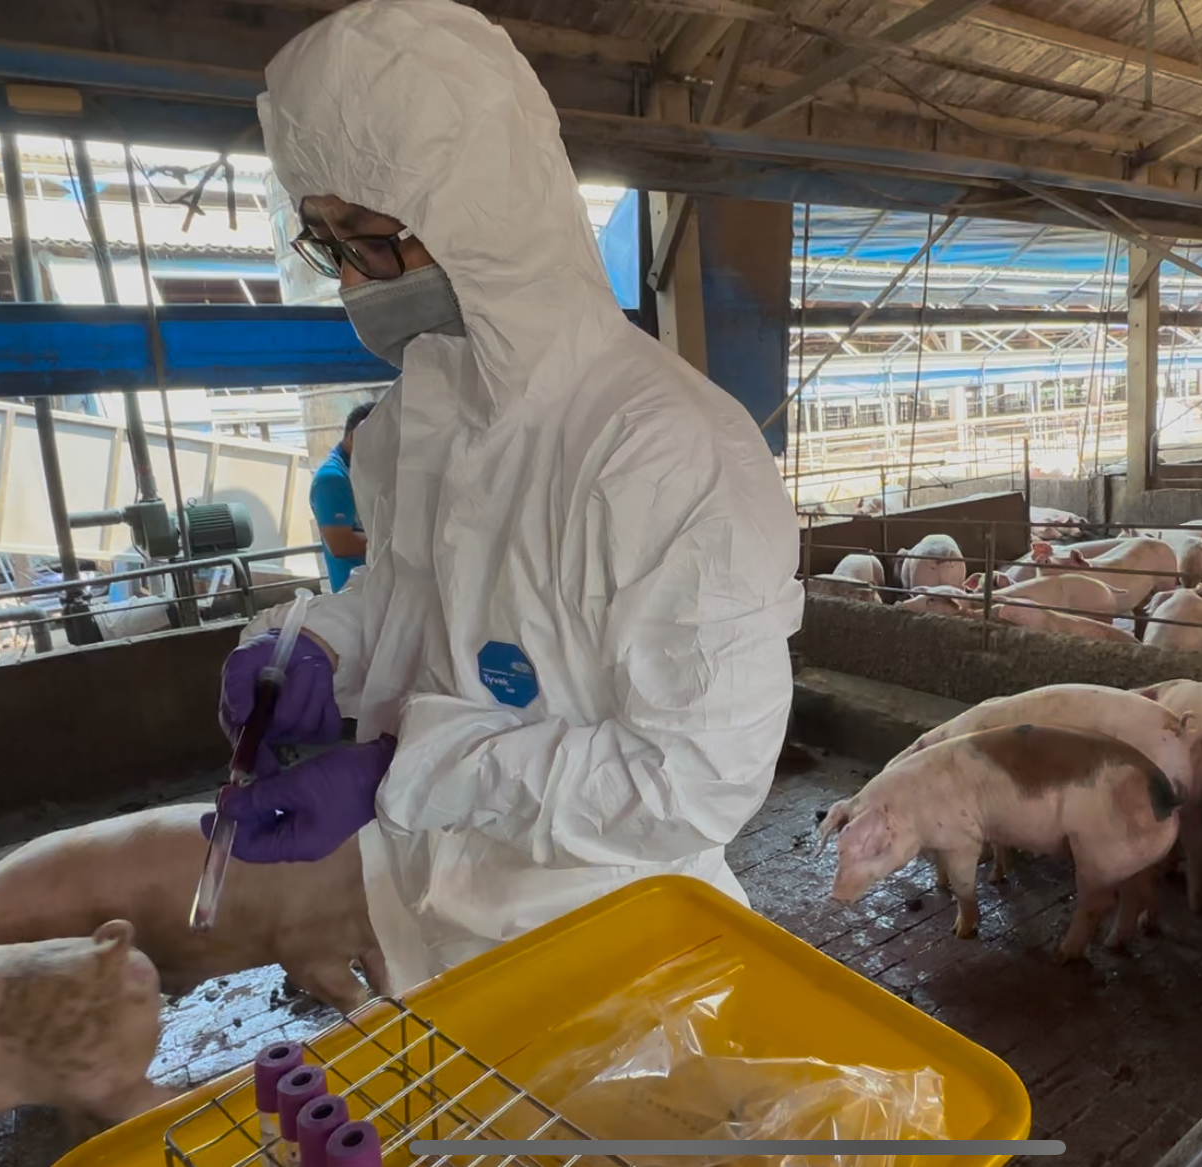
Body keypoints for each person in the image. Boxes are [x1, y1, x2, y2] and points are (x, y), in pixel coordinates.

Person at [205, 0, 803, 995]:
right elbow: (411, 606)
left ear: (484, 212)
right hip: (427, 925)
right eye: (327, 243)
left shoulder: (664, 449)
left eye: (373, 238)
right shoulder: (411, 418)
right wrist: (314, 646)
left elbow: (690, 780)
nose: (356, 277)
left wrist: (399, 769)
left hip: (611, 952)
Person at [309, 401, 374, 592]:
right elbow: (340, 545)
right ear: (356, 436)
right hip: (355, 592)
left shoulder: (363, 470)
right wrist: (402, 541)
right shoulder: (332, 479)